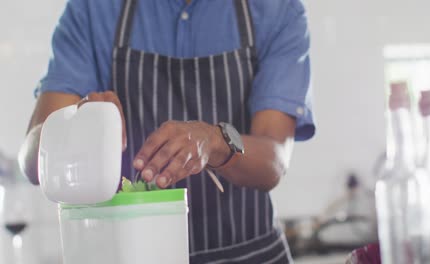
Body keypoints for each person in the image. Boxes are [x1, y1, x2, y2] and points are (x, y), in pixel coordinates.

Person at [18, 0, 315, 262]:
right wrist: (78, 125)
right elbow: (32, 160)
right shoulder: (92, 9)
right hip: (130, 257)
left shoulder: (278, 10)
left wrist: (215, 141)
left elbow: (273, 161)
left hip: (250, 255)